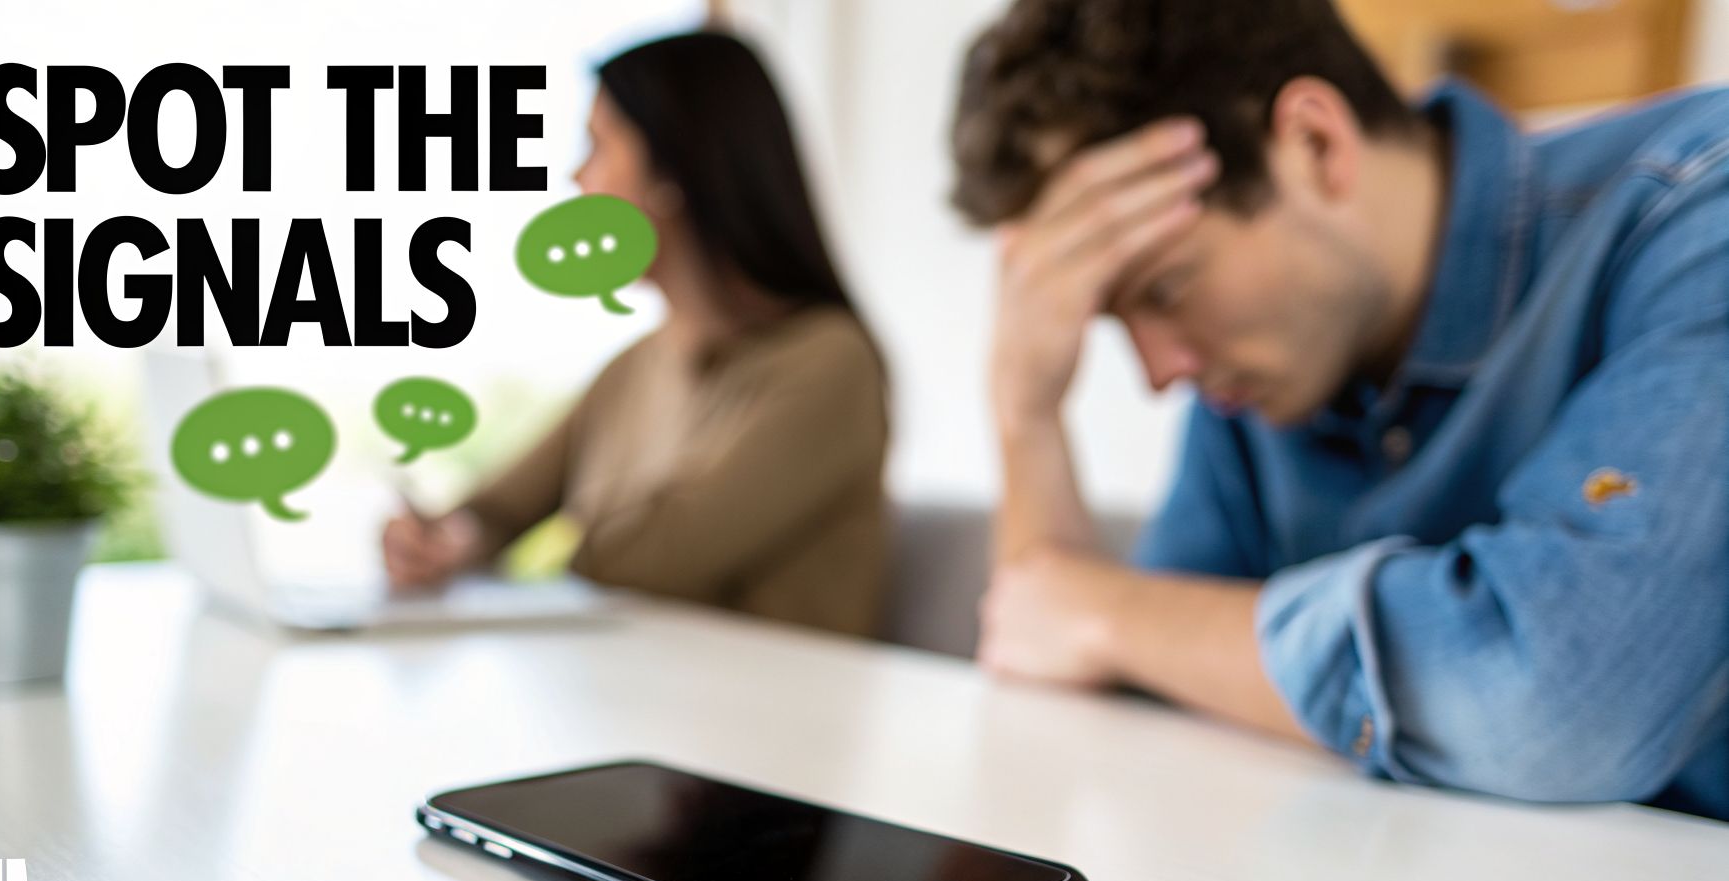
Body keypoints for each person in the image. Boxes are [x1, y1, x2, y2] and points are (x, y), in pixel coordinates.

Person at [949, 0, 1728, 818]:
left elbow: (1560, 709)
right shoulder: (1262, 375)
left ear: (1316, 145)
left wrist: (1114, 615)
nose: (1159, 370)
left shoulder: (1694, 209)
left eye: (1166, 288)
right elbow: (1087, 663)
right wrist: (1027, 414)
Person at [384, 31, 889, 637]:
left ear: (674, 170)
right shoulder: (634, 367)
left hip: (765, 720)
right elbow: (495, 510)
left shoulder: (832, 363)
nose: (575, 176)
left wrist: (564, 546)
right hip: (633, 703)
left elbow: (647, 563)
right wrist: (446, 541)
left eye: (598, 145)